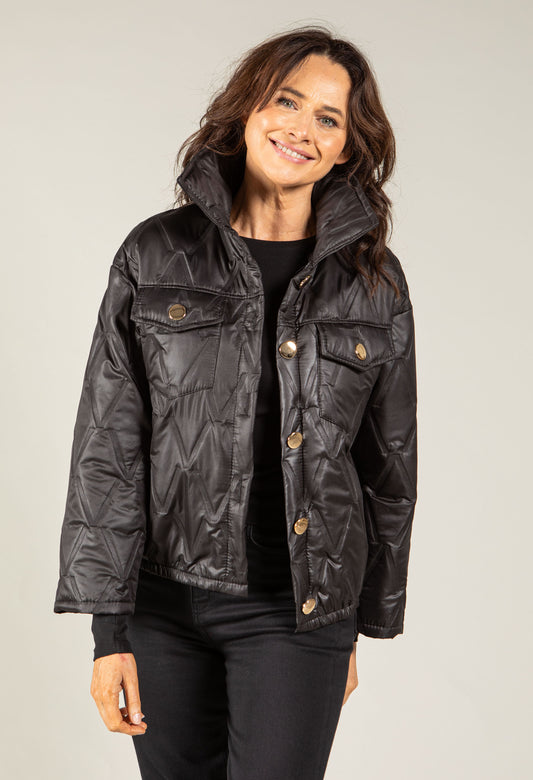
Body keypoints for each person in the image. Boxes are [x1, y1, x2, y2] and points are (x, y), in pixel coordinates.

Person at [53, 25, 418, 780]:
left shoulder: (373, 284)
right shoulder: (154, 254)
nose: (301, 128)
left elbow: (389, 465)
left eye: (329, 118)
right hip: (161, 607)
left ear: (346, 148)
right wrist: (108, 633)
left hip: (297, 611)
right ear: (248, 109)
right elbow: (109, 445)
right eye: (287, 101)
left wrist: (356, 622)